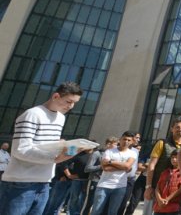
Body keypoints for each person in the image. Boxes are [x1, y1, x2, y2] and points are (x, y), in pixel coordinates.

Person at [0, 82, 84, 215]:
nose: (71, 106)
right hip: (20, 183)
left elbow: (45, 146)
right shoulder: (32, 114)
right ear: (56, 96)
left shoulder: (60, 118)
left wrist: (63, 148)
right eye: (68, 101)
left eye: (74, 103)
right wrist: (55, 158)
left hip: (44, 183)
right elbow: (20, 150)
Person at [145, 117, 181, 215]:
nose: (180, 129)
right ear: (172, 129)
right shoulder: (162, 143)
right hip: (158, 190)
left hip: (177, 191)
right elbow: (151, 165)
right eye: (177, 127)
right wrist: (148, 187)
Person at [90, 131, 138, 215]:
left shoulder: (133, 153)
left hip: (120, 187)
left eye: (129, 140)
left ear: (132, 142)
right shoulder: (109, 151)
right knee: (96, 211)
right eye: (124, 139)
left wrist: (111, 161)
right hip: (103, 185)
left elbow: (127, 166)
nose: (126, 141)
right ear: (120, 139)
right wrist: (122, 167)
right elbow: (105, 167)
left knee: (113, 212)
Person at [82, 137, 118, 215]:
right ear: (108, 144)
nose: (117, 146)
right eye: (115, 144)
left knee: (100, 205)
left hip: (105, 183)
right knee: (88, 203)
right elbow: (87, 168)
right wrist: (102, 166)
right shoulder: (97, 153)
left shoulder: (114, 156)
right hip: (94, 181)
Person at [153, 150, 181, 215]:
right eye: (172, 157)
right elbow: (157, 188)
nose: (174, 159)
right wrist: (159, 199)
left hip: (173, 208)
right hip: (159, 207)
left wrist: (167, 199)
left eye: (176, 157)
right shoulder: (165, 172)